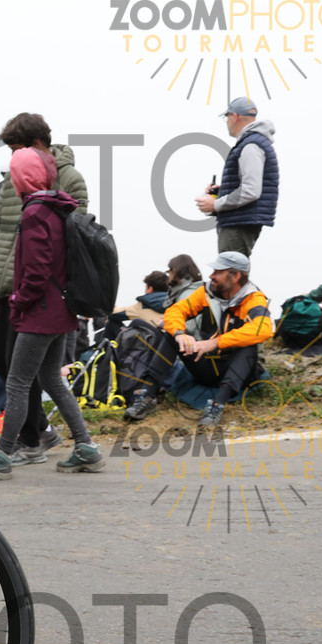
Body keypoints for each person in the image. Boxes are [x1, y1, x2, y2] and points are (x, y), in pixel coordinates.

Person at [0, 148, 103, 478]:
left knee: (17, 383)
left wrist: (18, 301)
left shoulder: (34, 212)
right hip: (61, 310)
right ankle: (86, 446)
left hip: (39, 313)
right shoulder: (57, 207)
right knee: (52, 380)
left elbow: (37, 271)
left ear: (22, 178)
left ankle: (2, 455)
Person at [0, 112, 87, 439]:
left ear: (37, 144)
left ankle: (25, 443)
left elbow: (78, 236)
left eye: (17, 149)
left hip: (38, 291)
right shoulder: (7, 184)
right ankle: (50, 435)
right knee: (4, 364)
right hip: (3, 287)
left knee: (23, 373)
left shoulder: (69, 178)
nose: (13, 158)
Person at [126, 251, 274, 428]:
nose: (211, 276)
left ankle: (217, 405)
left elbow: (262, 329)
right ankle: (146, 396)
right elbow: (176, 311)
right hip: (208, 368)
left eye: (218, 271)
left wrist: (214, 343)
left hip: (240, 373)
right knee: (172, 336)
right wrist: (180, 334)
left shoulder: (254, 298)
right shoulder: (206, 292)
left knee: (249, 345)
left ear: (235, 276)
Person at [195, 97, 278, 256]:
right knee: (231, 268)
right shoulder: (253, 142)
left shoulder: (250, 145)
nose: (226, 122)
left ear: (235, 116)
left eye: (226, 118)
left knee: (229, 269)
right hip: (242, 220)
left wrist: (216, 204)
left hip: (239, 223)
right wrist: (222, 191)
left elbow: (251, 190)